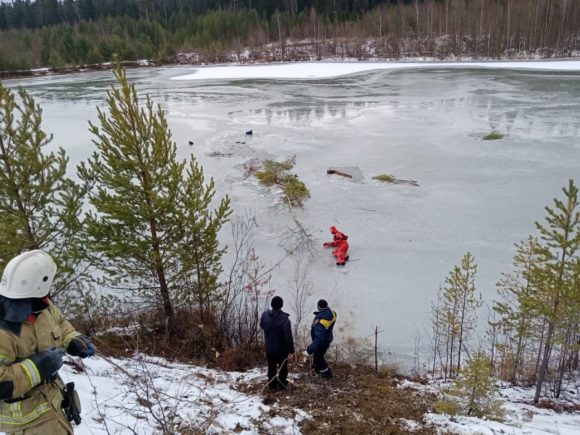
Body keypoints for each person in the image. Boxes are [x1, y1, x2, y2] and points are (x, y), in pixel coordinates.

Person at [0, 250, 96, 434]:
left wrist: (73, 339)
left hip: (52, 403)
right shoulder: (4, 329)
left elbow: (60, 323)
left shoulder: (42, 305)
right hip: (26, 422)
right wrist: (37, 367)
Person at [259, 296, 295, 390]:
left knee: (271, 367)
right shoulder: (285, 320)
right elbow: (288, 337)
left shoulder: (265, 315)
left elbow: (262, 325)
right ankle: (282, 384)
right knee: (283, 367)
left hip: (269, 348)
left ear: (271, 304)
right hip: (282, 350)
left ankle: (272, 385)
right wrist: (291, 350)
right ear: (281, 305)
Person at [304, 299, 337, 379]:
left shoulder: (321, 322)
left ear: (319, 307)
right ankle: (315, 368)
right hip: (327, 338)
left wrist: (309, 350)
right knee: (317, 354)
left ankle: (326, 373)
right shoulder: (332, 313)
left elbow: (319, 339)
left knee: (319, 356)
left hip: (322, 342)